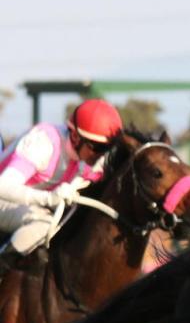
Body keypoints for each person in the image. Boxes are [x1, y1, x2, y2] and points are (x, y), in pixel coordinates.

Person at [0, 99, 123, 266]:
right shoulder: (44, 143)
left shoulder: (91, 160)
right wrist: (48, 198)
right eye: (98, 148)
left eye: (107, 149)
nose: (101, 156)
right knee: (43, 224)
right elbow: (3, 186)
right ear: (75, 136)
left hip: (26, 207)